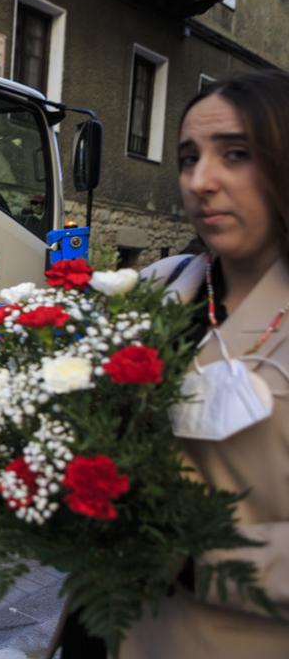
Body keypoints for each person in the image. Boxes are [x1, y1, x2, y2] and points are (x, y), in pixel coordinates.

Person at [119, 69, 289, 657]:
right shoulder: (158, 287)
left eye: (235, 154)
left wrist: (195, 558)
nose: (200, 181)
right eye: (188, 158)